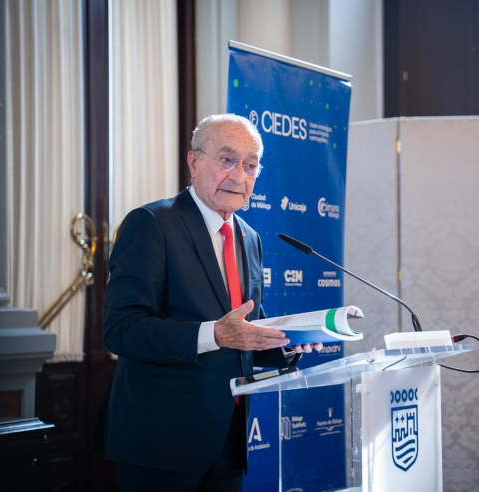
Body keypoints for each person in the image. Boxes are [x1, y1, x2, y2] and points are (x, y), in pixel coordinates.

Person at [92, 114, 321, 491]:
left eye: (250, 165)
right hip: (160, 440)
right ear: (194, 162)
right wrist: (213, 334)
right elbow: (121, 330)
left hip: (228, 439)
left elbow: (244, 332)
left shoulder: (249, 237)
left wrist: (288, 343)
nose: (238, 175)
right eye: (227, 160)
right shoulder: (151, 223)